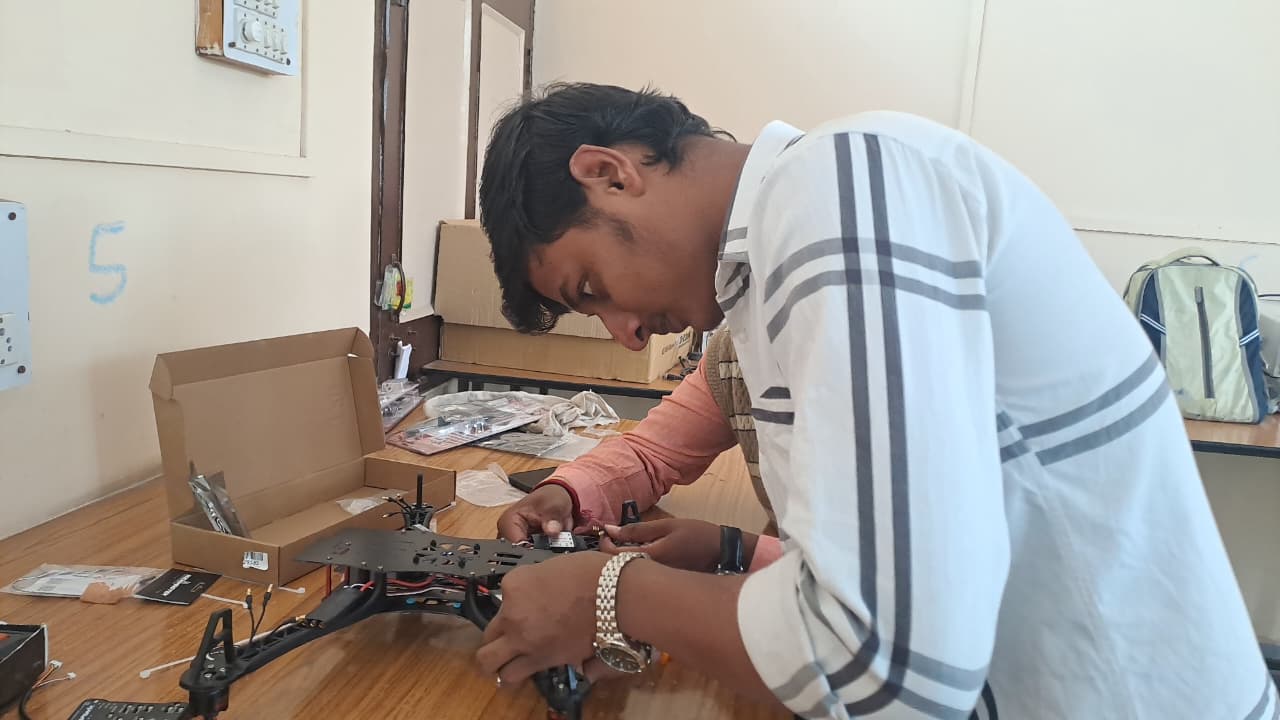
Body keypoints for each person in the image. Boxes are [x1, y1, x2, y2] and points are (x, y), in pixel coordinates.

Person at [471, 82, 1272, 719]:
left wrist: (612, 595)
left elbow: (884, 666)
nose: (624, 334)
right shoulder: (765, 281)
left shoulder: (838, 187)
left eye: (592, 288)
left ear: (610, 174)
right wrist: (703, 556)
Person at [495, 326, 788, 574]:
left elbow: (819, 573)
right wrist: (567, 491)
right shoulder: (733, 354)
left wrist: (734, 551)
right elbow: (650, 453)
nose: (630, 338)